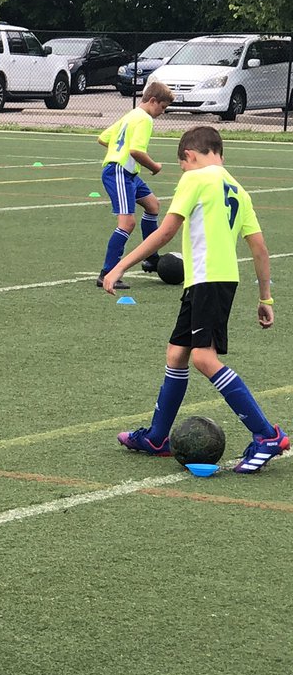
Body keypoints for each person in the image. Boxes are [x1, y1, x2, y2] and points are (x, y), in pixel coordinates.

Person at [103, 125, 288, 472]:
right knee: (177, 353)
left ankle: (267, 435)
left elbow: (167, 231)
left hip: (208, 280)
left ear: (190, 155)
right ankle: (158, 437)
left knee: (204, 358)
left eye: (182, 166)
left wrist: (120, 265)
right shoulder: (238, 188)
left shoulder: (196, 179)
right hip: (214, 281)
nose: (182, 173)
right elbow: (259, 248)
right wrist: (266, 298)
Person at [95, 80, 174, 288]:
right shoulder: (145, 119)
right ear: (153, 100)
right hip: (119, 172)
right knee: (127, 224)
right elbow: (136, 151)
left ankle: (150, 257)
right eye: (163, 107)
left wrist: (116, 149)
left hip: (126, 172)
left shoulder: (131, 115)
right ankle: (107, 273)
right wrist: (155, 167)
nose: (162, 112)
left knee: (153, 205)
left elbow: (103, 138)